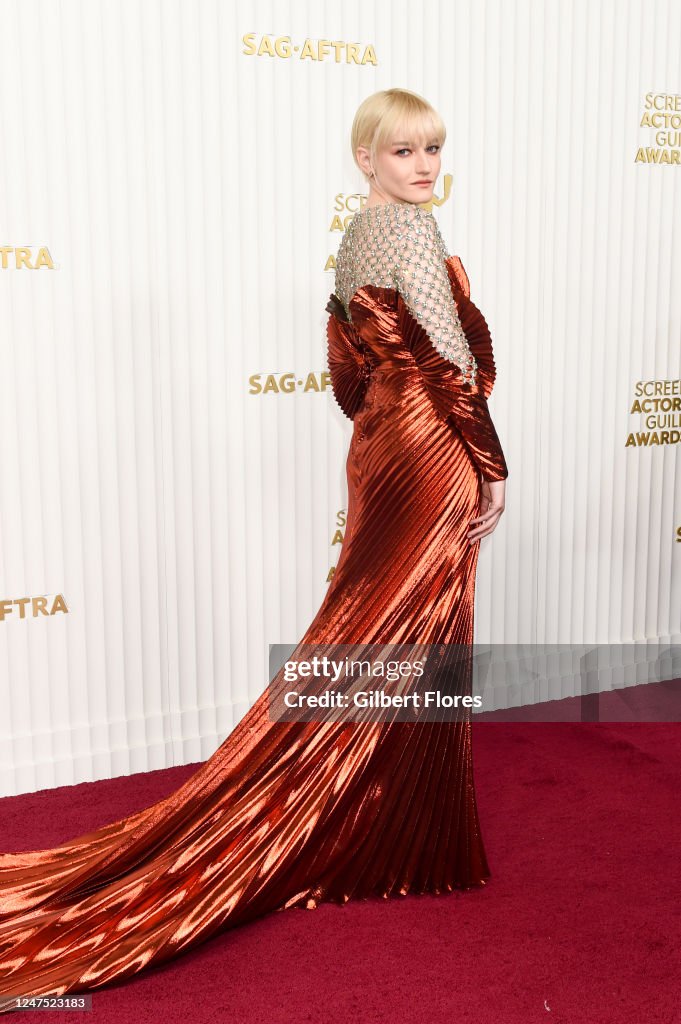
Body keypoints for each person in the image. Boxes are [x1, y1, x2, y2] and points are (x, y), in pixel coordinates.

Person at [0, 87, 507, 1010]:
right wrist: (490, 465)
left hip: (386, 445)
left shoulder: (358, 232)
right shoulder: (410, 235)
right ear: (365, 158)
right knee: (411, 632)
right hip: (435, 447)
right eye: (402, 152)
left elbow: (349, 377)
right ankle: (370, 826)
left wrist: (390, 426)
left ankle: (372, 815)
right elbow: (452, 368)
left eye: (433, 148)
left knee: (373, 631)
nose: (424, 166)